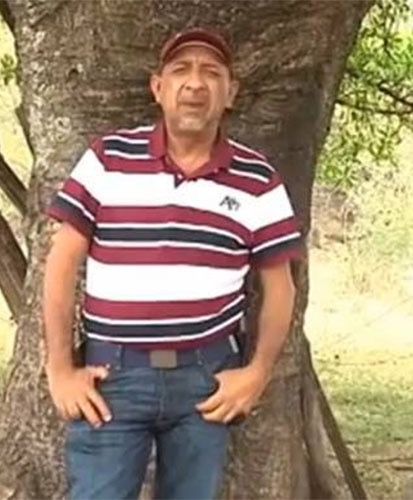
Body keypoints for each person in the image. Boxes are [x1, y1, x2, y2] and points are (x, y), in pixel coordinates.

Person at [43, 27, 301, 500]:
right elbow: (61, 264)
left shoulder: (257, 180)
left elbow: (280, 288)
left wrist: (258, 372)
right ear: (158, 87)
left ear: (230, 92)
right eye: (181, 70)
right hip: (111, 377)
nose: (195, 83)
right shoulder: (108, 159)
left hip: (206, 379)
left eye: (211, 73)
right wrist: (60, 369)